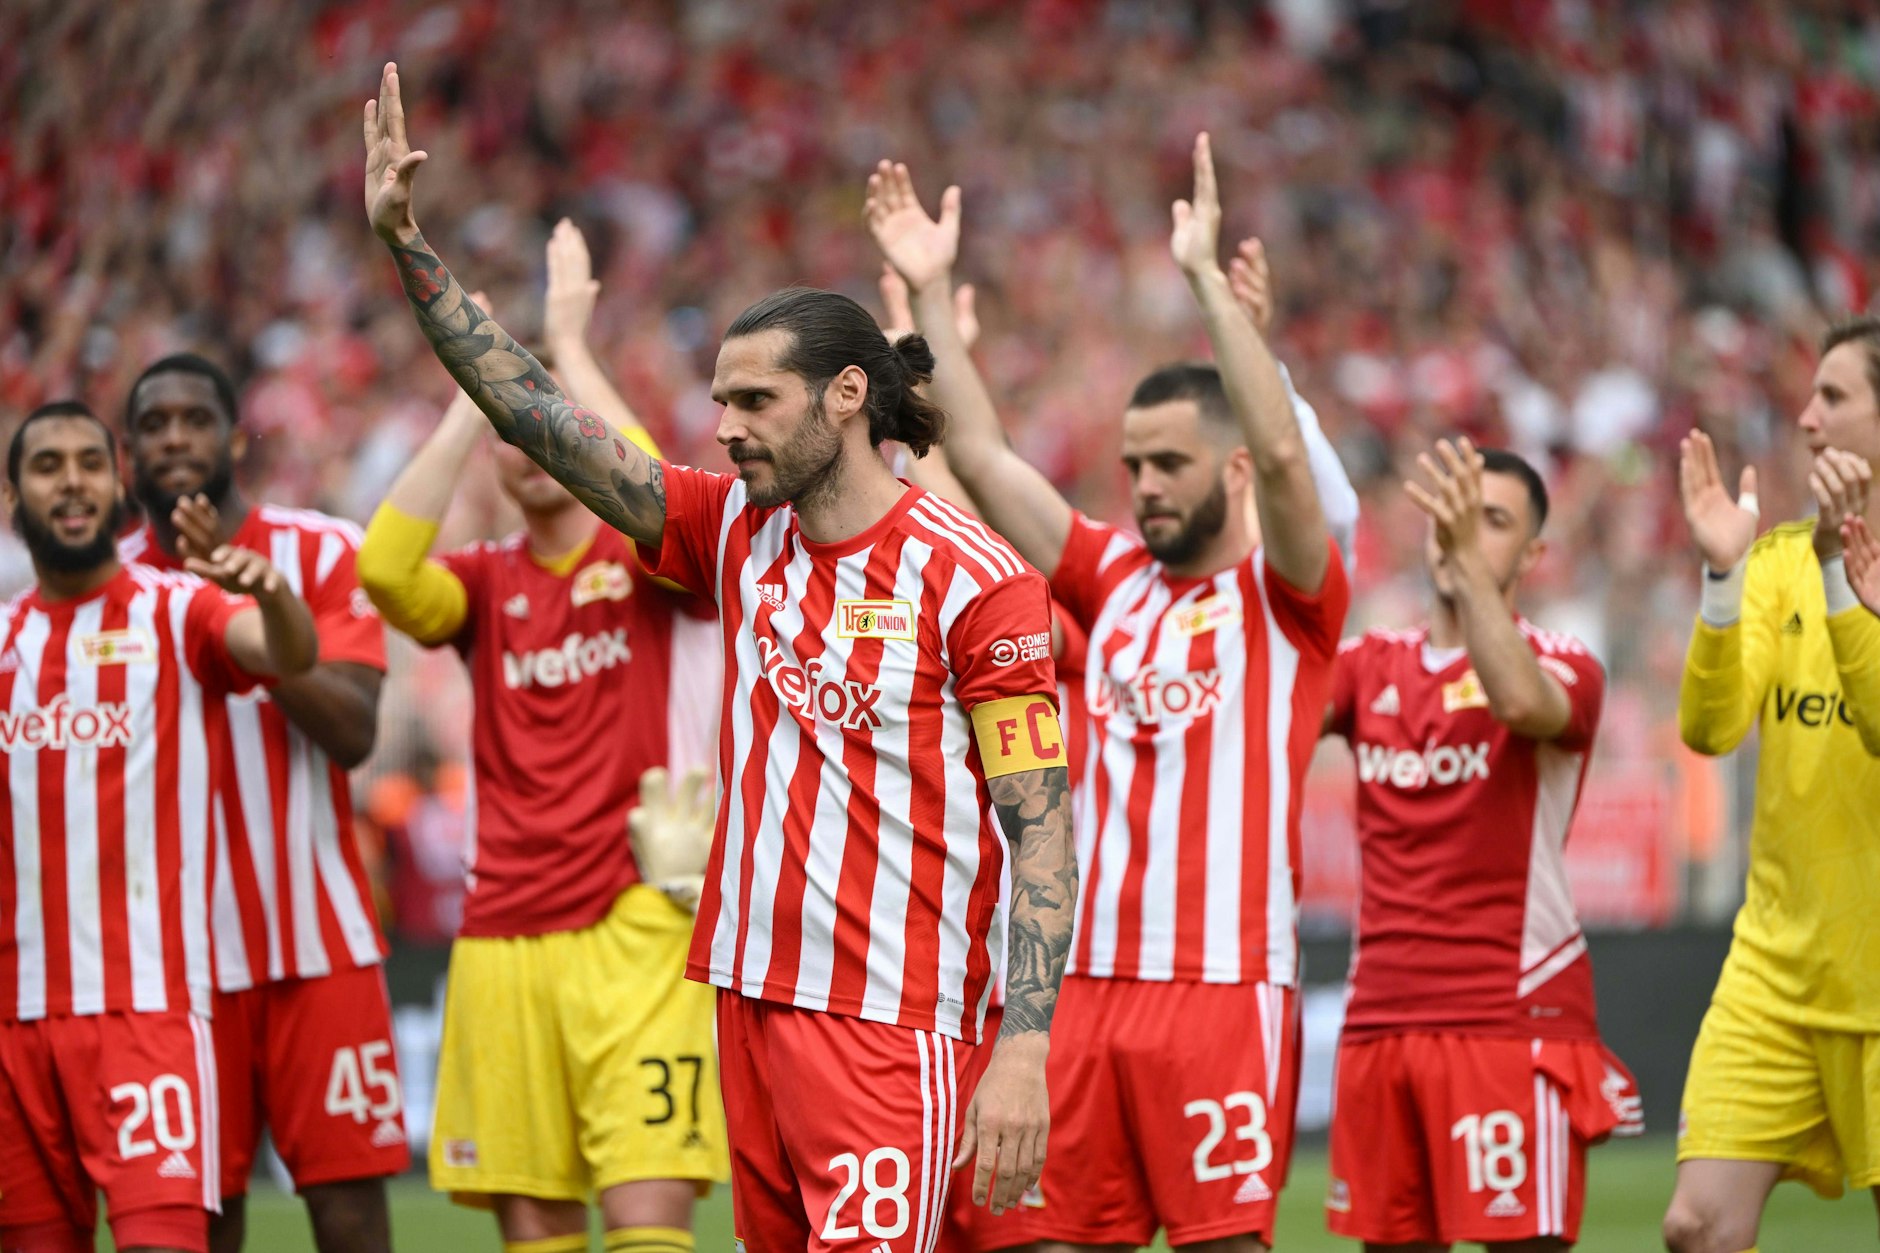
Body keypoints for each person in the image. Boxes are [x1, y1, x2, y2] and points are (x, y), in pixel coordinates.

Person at [362, 62, 1078, 1249]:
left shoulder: (978, 578)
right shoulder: (731, 530)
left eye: (753, 400)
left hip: (888, 1024)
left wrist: (1025, 1043)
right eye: (718, 400)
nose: (723, 425)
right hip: (742, 1003)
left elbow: (1037, 820)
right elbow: (540, 415)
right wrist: (411, 255)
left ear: (848, 395)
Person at [866, 136, 1349, 1251]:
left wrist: (1200, 284)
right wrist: (932, 288)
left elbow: (1283, 459)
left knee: (1223, 1242)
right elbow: (979, 454)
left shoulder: (1288, 598)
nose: (1141, 487)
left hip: (1222, 986)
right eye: (1131, 466)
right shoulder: (1107, 575)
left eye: (1167, 465)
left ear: (1226, 469)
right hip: (1080, 987)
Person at [356, 222, 729, 1253]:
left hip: (638, 917)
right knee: (537, 1230)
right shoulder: (481, 580)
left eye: (541, 435)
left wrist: (563, 352)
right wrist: (465, 394)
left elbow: (651, 483)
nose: (528, 454)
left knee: (648, 1215)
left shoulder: (650, 563)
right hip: (505, 926)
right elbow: (385, 573)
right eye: (511, 439)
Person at [0, 400, 318, 1253]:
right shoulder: (1, 642)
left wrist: (272, 589)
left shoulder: (177, 609)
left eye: (89, 463)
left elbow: (285, 652)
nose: (71, 480)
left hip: (148, 1011)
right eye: (46, 465)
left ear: (116, 486)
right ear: (13, 497)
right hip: (12, 1025)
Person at [117, 352, 407, 1253]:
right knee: (203, 1215)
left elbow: (354, 730)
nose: (174, 438)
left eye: (193, 419)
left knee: (350, 1210)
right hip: (177, 964)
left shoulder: (321, 549)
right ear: (129, 454)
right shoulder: (110, 580)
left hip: (315, 943)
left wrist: (252, 606)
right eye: (153, 424)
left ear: (235, 437)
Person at [1322, 438, 1643, 1251]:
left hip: (1511, 1011)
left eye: (1489, 520)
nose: (1457, 533)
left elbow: (1520, 702)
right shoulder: (1368, 665)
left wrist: (1469, 573)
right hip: (1382, 1017)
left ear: (1533, 553)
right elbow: (1264, 705)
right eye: (1448, 517)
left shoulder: (1565, 664)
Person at [1662, 314, 1880, 1253]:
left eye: (1833, 395)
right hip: (1776, 969)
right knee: (1697, 1228)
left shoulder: (1819, 562)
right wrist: (1722, 574)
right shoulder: (1780, 558)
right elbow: (1710, 729)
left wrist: (1840, 573)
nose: (1805, 417)